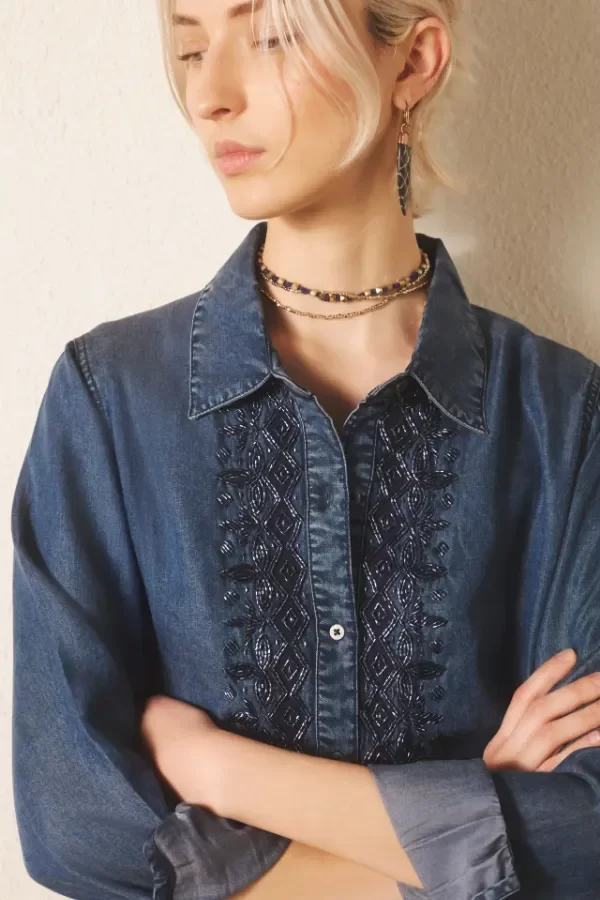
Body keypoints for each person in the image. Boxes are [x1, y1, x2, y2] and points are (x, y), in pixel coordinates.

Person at [11, 1, 600, 898]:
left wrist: (217, 770)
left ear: (413, 62)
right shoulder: (110, 401)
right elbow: (74, 825)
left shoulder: (562, 416)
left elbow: (589, 830)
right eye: (191, 48)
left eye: (271, 36)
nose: (210, 95)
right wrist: (465, 837)